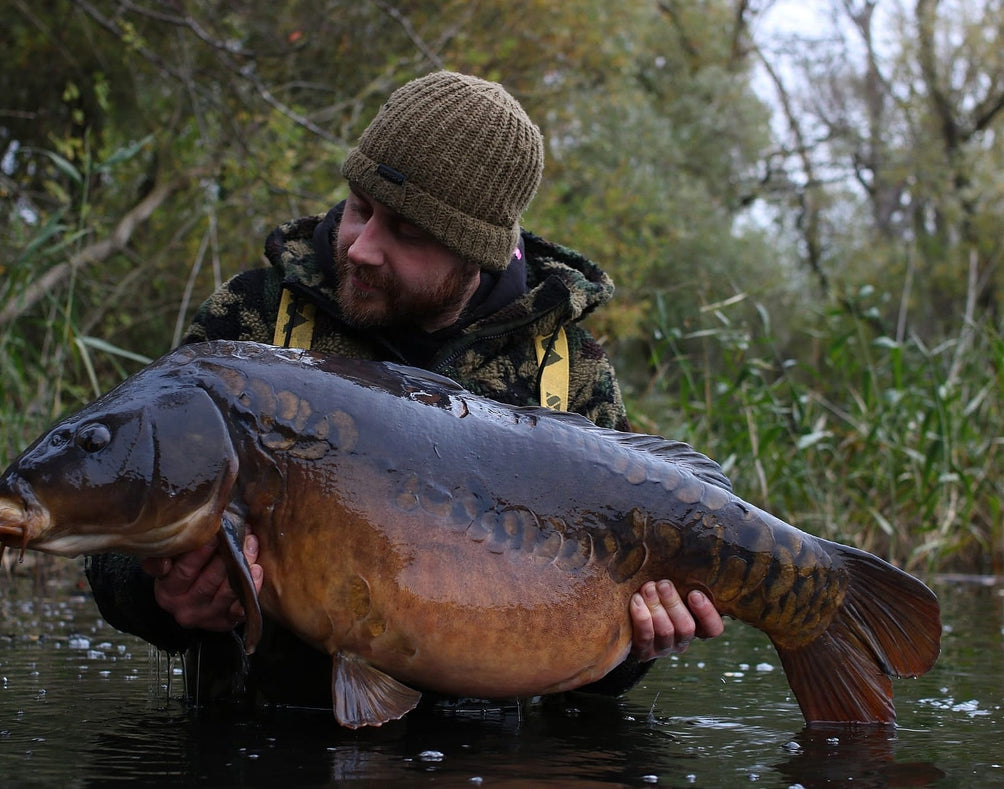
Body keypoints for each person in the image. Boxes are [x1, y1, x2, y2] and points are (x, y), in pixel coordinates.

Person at [86, 70, 723, 715]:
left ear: (476, 255)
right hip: (253, 735)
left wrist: (638, 648)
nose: (360, 248)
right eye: (360, 208)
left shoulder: (567, 373)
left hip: (489, 760)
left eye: (407, 233)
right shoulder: (254, 325)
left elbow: (603, 674)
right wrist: (160, 597)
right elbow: (111, 529)